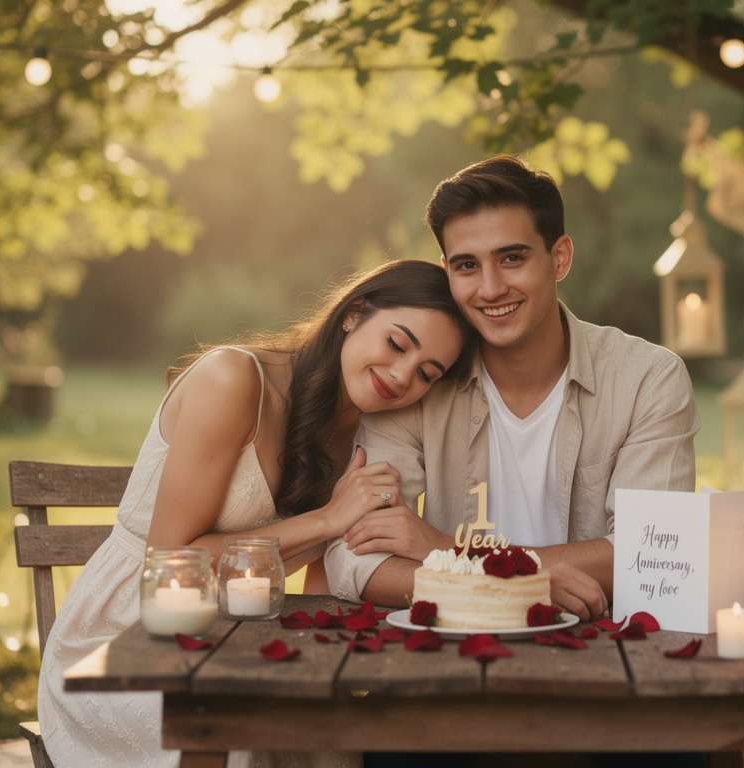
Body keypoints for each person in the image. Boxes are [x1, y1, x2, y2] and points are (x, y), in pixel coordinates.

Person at [37, 259, 474, 768]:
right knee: (232, 724)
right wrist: (329, 519)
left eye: (427, 374)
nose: (402, 377)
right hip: (130, 633)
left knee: (326, 729)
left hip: (245, 635)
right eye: (398, 344)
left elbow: (323, 587)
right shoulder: (234, 378)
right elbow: (171, 561)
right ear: (354, 314)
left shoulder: (370, 434)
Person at [323, 155, 700, 622]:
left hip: (601, 657)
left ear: (559, 258)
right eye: (466, 265)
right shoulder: (420, 381)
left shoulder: (648, 379)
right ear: (447, 271)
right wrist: (499, 587)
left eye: (512, 258)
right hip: (447, 661)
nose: (491, 287)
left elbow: (654, 557)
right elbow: (354, 560)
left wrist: (448, 550)